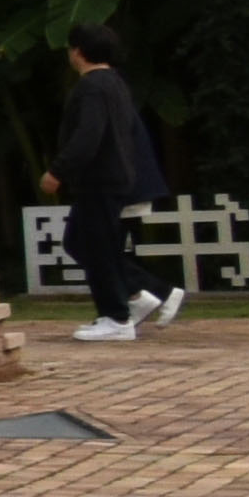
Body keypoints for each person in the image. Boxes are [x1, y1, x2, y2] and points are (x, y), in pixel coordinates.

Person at [58, 28, 175, 342]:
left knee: (97, 247)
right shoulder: (115, 83)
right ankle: (138, 298)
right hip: (113, 179)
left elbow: (88, 136)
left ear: (78, 51)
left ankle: (119, 314)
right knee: (83, 243)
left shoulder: (93, 87)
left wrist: (59, 170)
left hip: (102, 180)